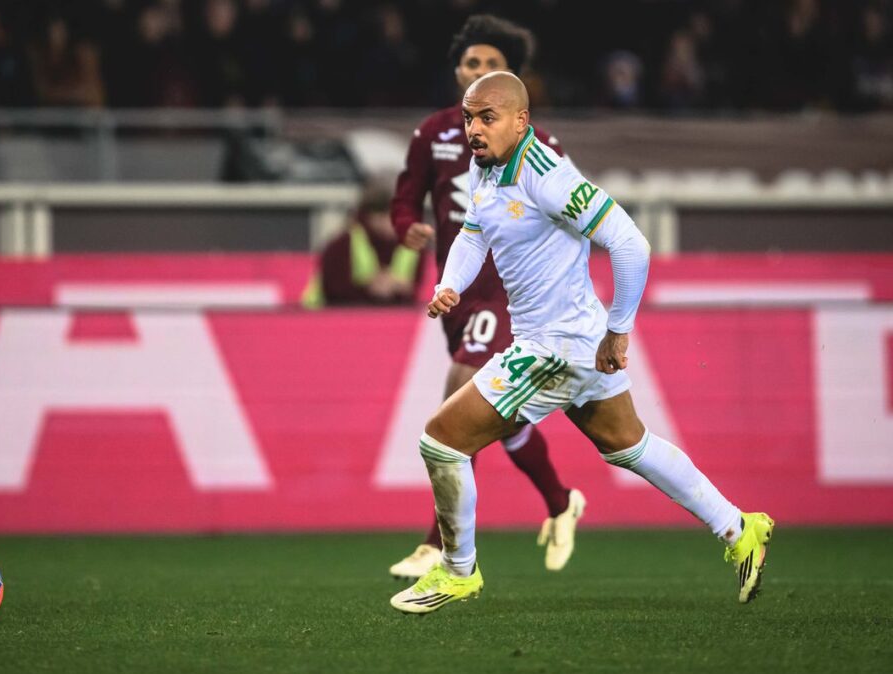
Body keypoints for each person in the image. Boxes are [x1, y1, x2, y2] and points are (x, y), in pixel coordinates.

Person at [390, 71, 774, 614]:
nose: (474, 129)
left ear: (521, 120)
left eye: (487, 118)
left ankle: (457, 572)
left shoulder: (548, 177)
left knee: (442, 441)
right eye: (469, 117)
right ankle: (739, 527)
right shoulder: (485, 167)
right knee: (629, 445)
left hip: (557, 349)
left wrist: (620, 329)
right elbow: (474, 234)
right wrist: (450, 285)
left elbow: (631, 244)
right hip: (574, 340)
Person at [388, 14, 583, 580]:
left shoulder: (538, 145)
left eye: (491, 64)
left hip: (507, 289)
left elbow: (574, 213)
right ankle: (560, 501)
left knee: (458, 396)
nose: (478, 71)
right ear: (457, 71)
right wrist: (407, 226)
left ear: (511, 79)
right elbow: (405, 198)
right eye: (470, 62)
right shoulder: (432, 134)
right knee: (502, 415)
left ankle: (438, 545)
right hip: (456, 289)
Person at [302, 183, 424, 308]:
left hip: (385, 317)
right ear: (371, 217)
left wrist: (397, 288)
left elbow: (411, 292)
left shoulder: (413, 246)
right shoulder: (342, 245)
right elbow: (334, 291)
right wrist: (370, 289)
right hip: (324, 316)